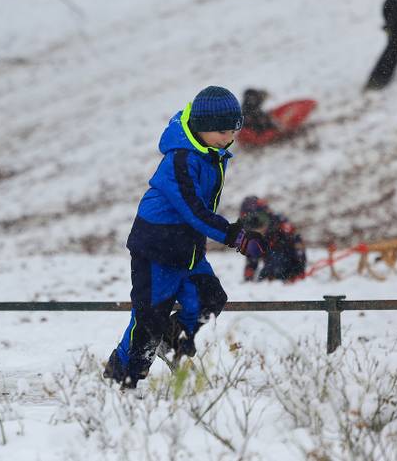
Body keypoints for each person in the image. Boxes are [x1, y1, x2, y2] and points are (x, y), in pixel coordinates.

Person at [104, 86, 266, 389]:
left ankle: (172, 339)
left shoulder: (211, 153)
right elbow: (193, 210)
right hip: (156, 248)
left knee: (210, 298)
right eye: (222, 131)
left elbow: (199, 213)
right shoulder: (180, 159)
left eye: (233, 131)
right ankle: (122, 378)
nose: (228, 138)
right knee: (149, 318)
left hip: (187, 248)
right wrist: (235, 236)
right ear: (202, 126)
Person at [239, 196, 306, 282]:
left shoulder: (282, 225)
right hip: (269, 272)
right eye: (249, 222)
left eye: (261, 219)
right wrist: (249, 275)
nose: (257, 227)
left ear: (268, 214)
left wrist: (299, 270)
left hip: (290, 268)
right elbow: (252, 258)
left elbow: (298, 246)